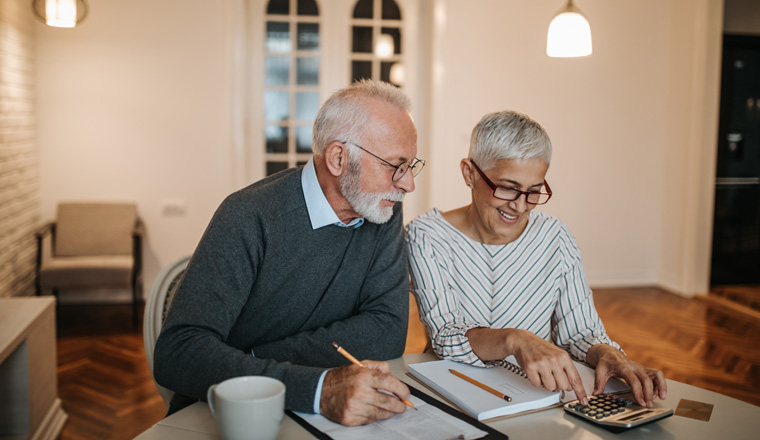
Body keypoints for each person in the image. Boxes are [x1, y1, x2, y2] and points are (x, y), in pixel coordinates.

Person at [154, 79, 425, 426]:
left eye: (412, 166)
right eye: (395, 166)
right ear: (339, 157)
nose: (408, 184)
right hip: (230, 416)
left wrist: (252, 360)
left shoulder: (382, 210)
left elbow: (386, 332)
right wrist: (316, 387)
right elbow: (178, 352)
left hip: (320, 412)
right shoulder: (249, 215)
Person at [406, 110, 666, 408]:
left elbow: (580, 332)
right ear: (469, 173)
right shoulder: (427, 235)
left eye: (533, 192)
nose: (519, 206)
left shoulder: (555, 237)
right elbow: (445, 336)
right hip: (455, 392)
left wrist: (609, 353)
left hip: (539, 395)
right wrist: (515, 339)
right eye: (507, 188)